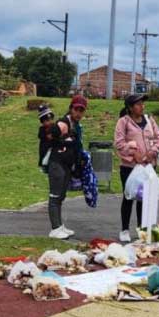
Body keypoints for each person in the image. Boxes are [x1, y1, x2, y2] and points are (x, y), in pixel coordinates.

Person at [113, 94, 159, 242]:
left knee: (145, 198)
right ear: (130, 107)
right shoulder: (123, 122)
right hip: (130, 168)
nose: (142, 106)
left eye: (142, 103)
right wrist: (133, 154)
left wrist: (153, 152)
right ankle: (124, 229)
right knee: (129, 197)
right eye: (138, 104)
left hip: (149, 166)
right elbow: (119, 143)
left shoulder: (149, 120)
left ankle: (142, 229)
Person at [46, 95, 88, 239]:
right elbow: (49, 135)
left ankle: (59, 225)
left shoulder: (76, 125)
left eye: (82, 110)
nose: (79, 113)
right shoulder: (64, 123)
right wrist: (62, 138)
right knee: (55, 195)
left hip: (67, 165)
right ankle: (55, 228)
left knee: (61, 196)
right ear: (71, 108)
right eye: (76, 109)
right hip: (57, 164)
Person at [37, 104, 55, 173]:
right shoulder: (42, 129)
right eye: (47, 120)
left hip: (53, 147)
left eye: (51, 119)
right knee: (45, 158)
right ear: (42, 121)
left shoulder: (54, 126)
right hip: (45, 147)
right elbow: (42, 136)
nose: (49, 122)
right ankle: (44, 166)